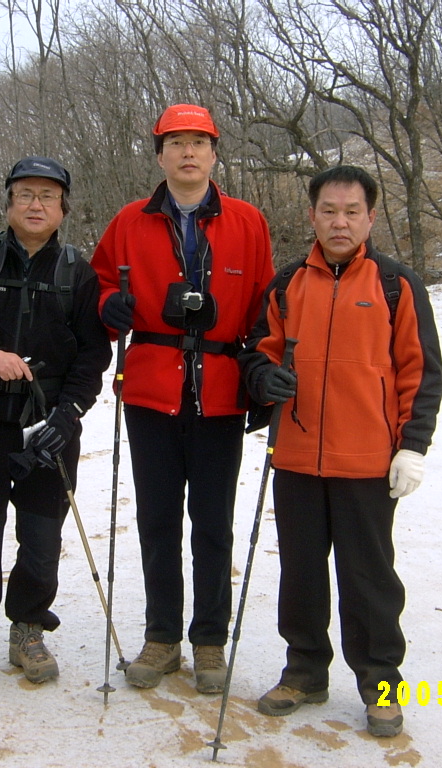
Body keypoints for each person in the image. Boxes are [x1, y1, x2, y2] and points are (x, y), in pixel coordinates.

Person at [240, 165, 442, 737]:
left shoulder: (396, 285)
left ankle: (382, 685)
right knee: (301, 574)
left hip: (368, 461)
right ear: (312, 215)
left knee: (369, 578)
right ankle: (304, 671)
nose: (339, 222)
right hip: (297, 456)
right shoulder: (286, 284)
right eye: (328, 210)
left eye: (352, 212)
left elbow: (421, 371)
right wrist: (263, 378)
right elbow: (256, 352)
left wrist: (413, 446)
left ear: (370, 218)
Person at [90, 104, 275, 694]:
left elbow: (268, 305)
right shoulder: (129, 221)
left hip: (221, 390)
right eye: (176, 142)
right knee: (158, 520)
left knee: (214, 524)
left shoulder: (248, 221)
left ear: (214, 153)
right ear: (160, 155)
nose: (188, 152)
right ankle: (162, 637)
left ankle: (210, 641)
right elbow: (98, 282)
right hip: (151, 388)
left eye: (199, 141)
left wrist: (262, 373)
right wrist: (109, 306)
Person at [0, 157, 111, 685]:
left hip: (48, 426)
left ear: (63, 208)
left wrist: (68, 416)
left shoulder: (78, 273)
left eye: (48, 196)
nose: (36, 205)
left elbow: (93, 356)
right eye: (26, 194)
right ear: (9, 202)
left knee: (41, 537)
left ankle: (29, 627)